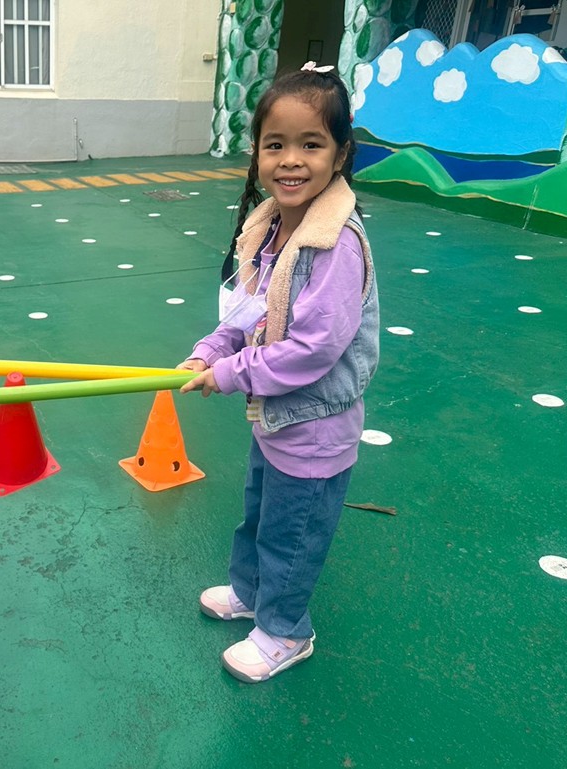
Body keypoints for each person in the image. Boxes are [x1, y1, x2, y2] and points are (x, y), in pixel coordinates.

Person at [178, 63, 379, 683]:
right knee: (260, 516)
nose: (291, 160)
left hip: (316, 432)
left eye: (311, 144)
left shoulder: (335, 244)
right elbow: (245, 312)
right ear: (257, 153)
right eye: (275, 144)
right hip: (277, 421)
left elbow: (314, 349)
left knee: (293, 537)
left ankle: (287, 630)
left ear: (340, 154)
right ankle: (249, 593)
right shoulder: (270, 230)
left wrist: (231, 371)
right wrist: (209, 351)